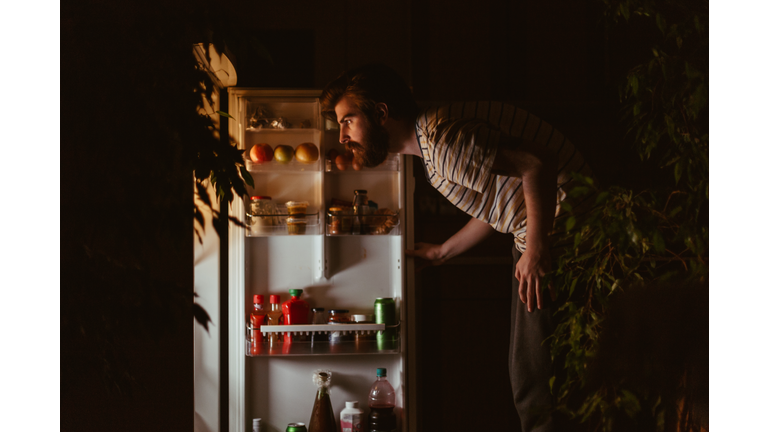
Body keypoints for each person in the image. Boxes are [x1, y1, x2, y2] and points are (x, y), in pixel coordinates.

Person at [321, 64, 594, 432]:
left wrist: (537, 248)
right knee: (536, 375)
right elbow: (500, 199)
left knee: (535, 382)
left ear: (381, 114)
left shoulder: (443, 143)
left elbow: (536, 164)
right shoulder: (435, 144)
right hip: (551, 234)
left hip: (566, 235)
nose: (342, 136)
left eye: (348, 121)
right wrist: (443, 252)